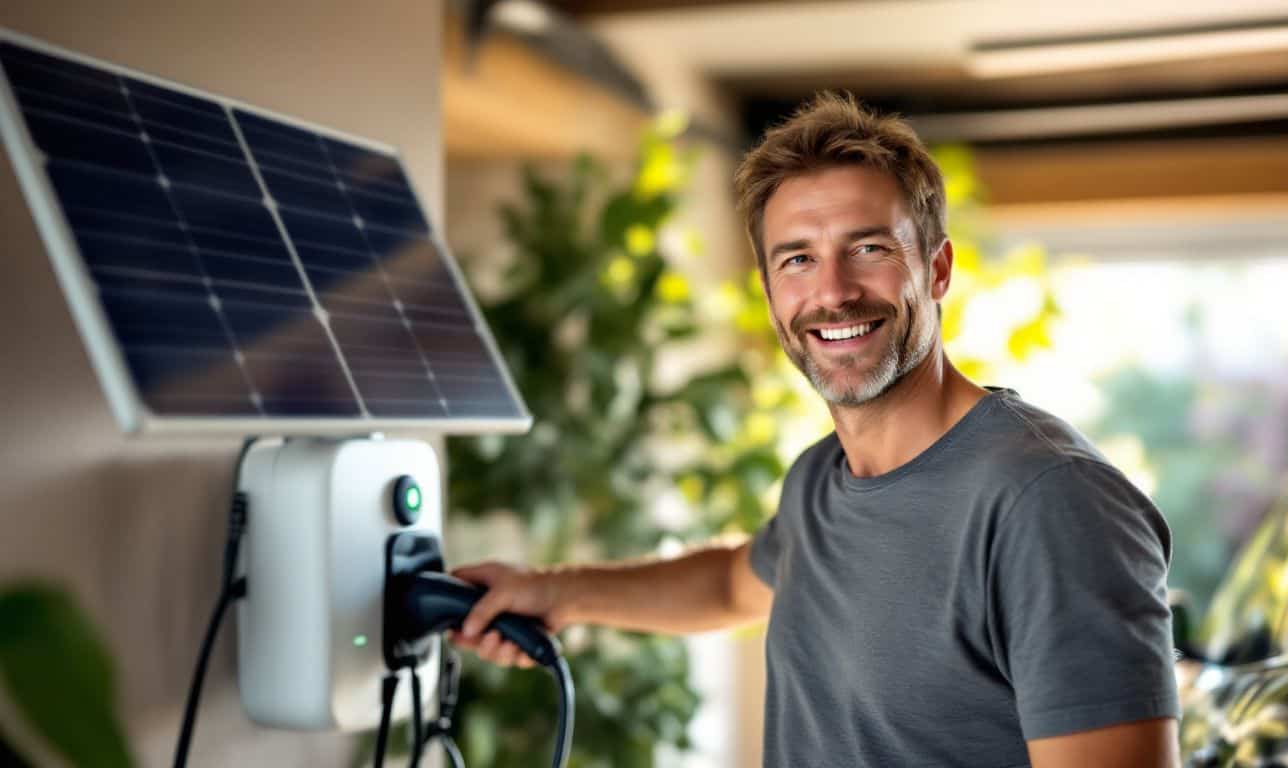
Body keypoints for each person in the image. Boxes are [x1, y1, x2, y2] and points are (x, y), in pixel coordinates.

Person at [448, 92, 1181, 767]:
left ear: (937, 269)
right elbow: (736, 584)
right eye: (798, 260)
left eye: (868, 249)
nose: (832, 293)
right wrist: (554, 591)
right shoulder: (820, 480)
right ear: (769, 294)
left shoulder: (1048, 503)